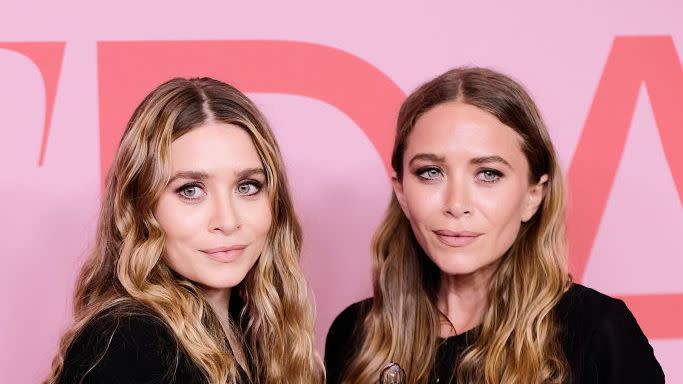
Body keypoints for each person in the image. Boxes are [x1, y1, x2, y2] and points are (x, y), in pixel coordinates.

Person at [325, 67, 664, 383]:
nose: (456, 204)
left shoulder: (598, 332)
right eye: (430, 172)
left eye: (488, 174)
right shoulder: (356, 335)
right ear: (401, 190)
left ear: (533, 194)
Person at [45, 77, 322, 383]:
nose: (227, 221)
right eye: (191, 190)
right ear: (141, 206)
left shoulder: (251, 331)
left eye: (247, 186)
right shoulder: (130, 343)